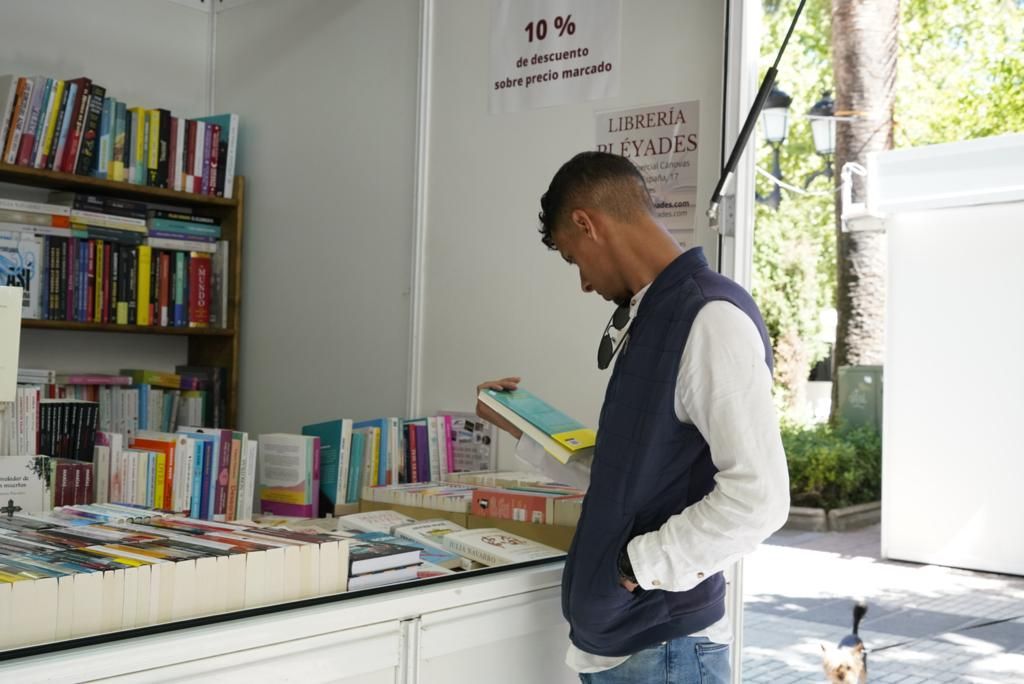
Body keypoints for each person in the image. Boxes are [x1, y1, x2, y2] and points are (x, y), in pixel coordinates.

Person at [475, 151, 789, 683]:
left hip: (664, 651)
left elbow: (760, 499)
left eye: (575, 260)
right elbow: (629, 475)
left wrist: (634, 567)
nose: (583, 282)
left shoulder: (710, 319)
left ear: (585, 222)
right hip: (634, 650)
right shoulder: (656, 317)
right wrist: (522, 429)